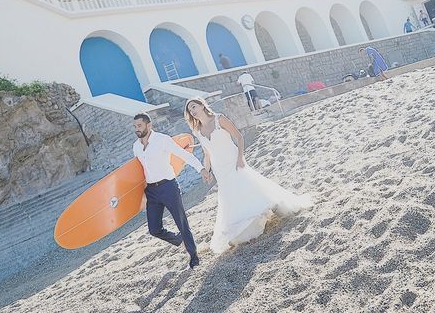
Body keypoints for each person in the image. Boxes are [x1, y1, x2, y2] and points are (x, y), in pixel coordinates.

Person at [184, 97, 312, 253]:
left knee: (247, 186)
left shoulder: (219, 119)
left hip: (233, 160)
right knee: (231, 195)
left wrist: (240, 158)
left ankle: (263, 210)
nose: (193, 111)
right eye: (190, 110)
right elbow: (206, 153)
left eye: (194, 107)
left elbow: (238, 137)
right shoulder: (197, 130)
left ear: (203, 105)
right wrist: (207, 170)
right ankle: (243, 224)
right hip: (219, 168)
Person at [132, 112, 210, 269]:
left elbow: (183, 155)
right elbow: (139, 172)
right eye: (134, 126)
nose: (136, 129)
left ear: (149, 125)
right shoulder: (136, 147)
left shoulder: (162, 140)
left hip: (168, 186)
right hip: (151, 191)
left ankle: (193, 255)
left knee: (181, 221)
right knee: (154, 229)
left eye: (139, 126)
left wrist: (201, 169)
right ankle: (179, 240)